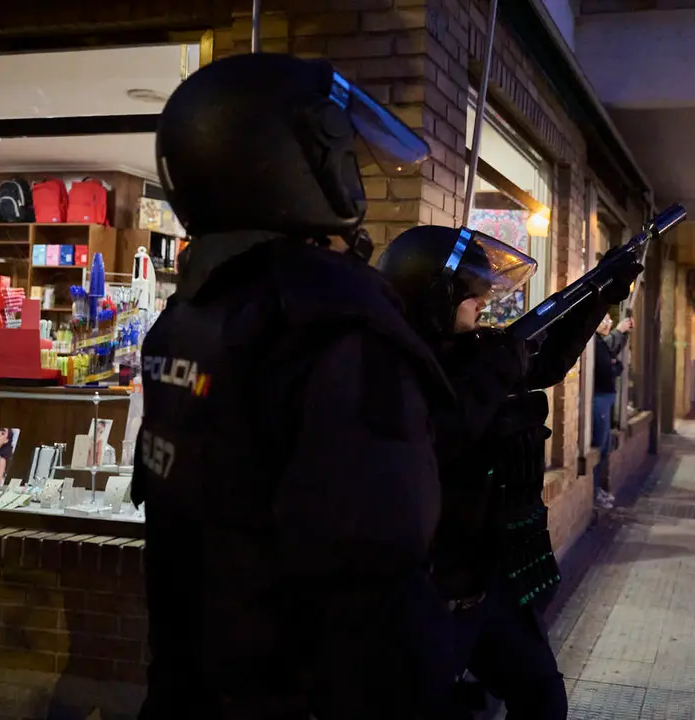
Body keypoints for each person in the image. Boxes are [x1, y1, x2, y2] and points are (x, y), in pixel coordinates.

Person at [130, 53, 456, 719]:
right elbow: (378, 566)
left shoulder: (190, 311)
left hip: (198, 676)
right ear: (295, 161)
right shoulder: (333, 320)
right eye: (340, 153)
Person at [377, 225, 643, 720]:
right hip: (429, 597)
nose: (480, 302)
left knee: (542, 697)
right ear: (434, 295)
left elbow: (546, 361)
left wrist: (601, 294)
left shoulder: (474, 352)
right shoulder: (394, 367)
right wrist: (496, 369)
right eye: (469, 294)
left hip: (486, 584)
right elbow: (440, 434)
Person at [591, 314, 633, 509]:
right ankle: (593, 491)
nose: (607, 322)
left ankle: (597, 489)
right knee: (599, 445)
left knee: (604, 446)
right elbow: (607, 369)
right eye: (604, 319)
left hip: (604, 399)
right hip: (598, 399)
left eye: (609, 319)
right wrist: (614, 366)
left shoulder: (600, 342)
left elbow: (615, 363)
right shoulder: (594, 343)